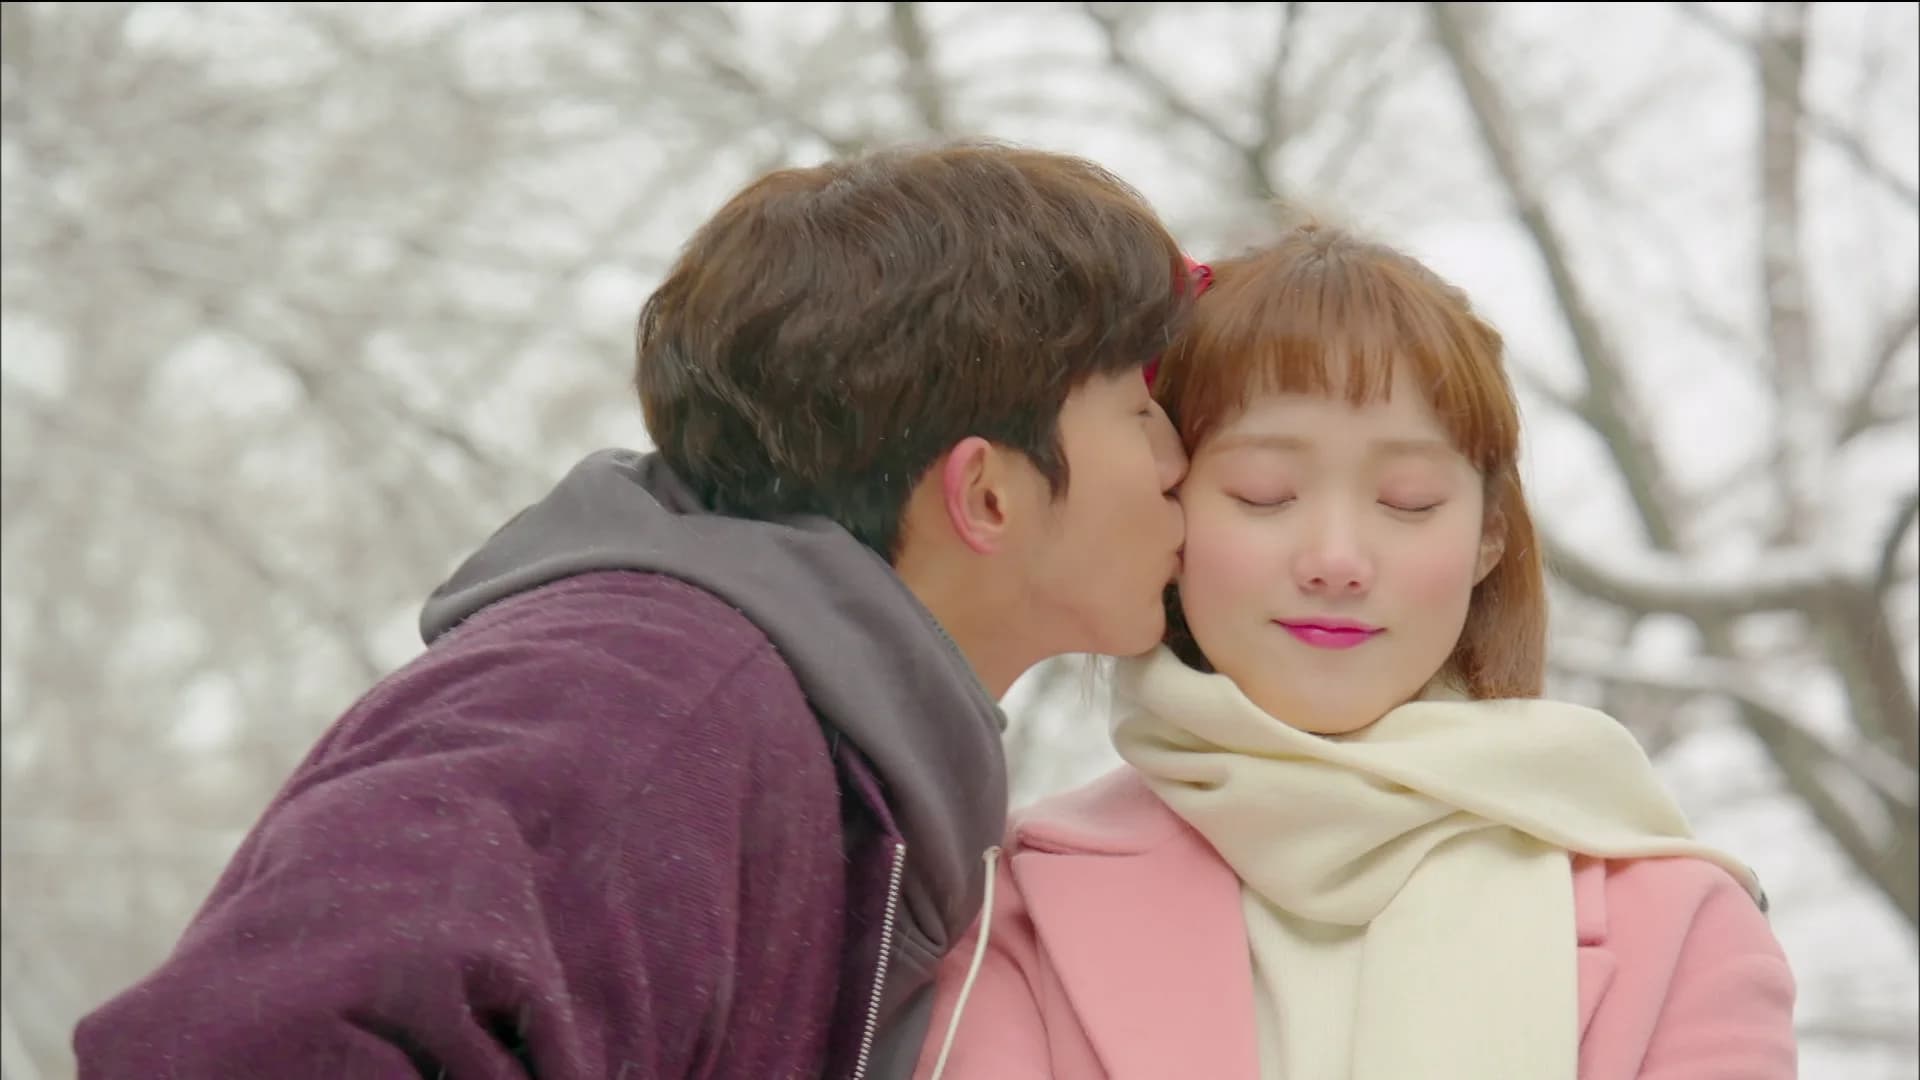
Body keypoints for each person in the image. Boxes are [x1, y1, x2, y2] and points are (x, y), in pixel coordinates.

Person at [73, 140, 1203, 1080]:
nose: (1177, 460)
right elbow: (259, 1043)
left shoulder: (798, 736)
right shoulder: (634, 702)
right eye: (1139, 409)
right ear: (987, 493)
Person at [912, 221, 1798, 1080]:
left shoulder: (1677, 924)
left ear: (1489, 537)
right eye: (1264, 493)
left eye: (1408, 501)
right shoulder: (1014, 909)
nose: (1336, 559)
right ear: (1169, 510)